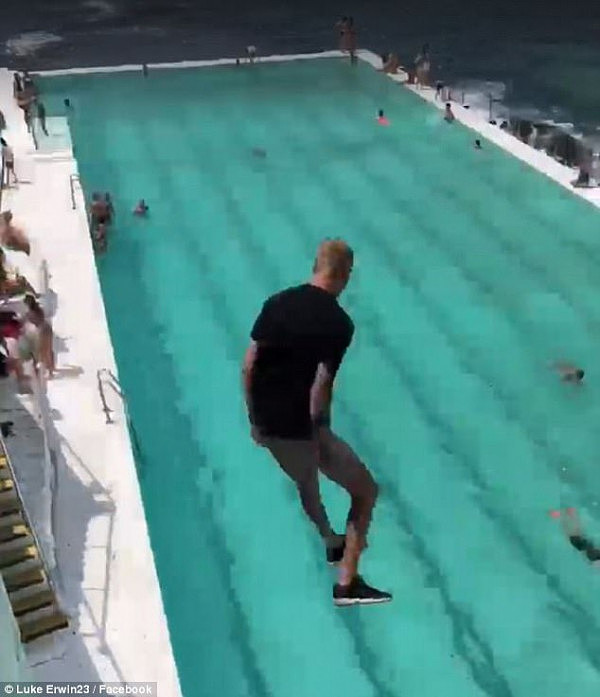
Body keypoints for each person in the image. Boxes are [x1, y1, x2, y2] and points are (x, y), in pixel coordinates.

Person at [243, 239, 391, 606]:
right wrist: (320, 429)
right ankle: (347, 583)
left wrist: (255, 420)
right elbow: (321, 384)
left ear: (316, 265)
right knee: (366, 491)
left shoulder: (275, 303)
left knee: (306, 481)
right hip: (303, 427)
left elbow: (249, 365)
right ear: (344, 274)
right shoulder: (339, 323)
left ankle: (330, 541)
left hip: (269, 425)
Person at [23, 294, 54, 378]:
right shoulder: (39, 309)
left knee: (43, 351)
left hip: (41, 331)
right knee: (48, 350)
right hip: (47, 328)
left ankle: (48, 370)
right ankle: (51, 369)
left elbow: (31, 321)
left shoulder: (30, 313)